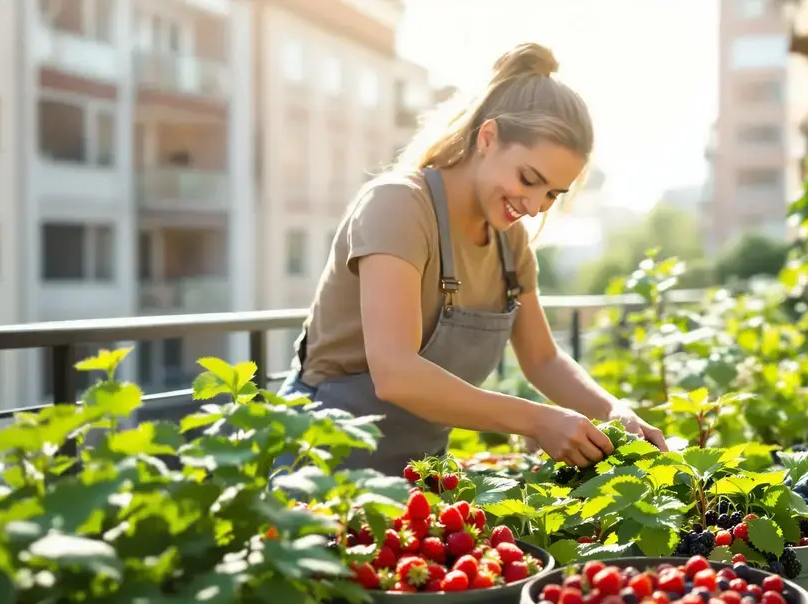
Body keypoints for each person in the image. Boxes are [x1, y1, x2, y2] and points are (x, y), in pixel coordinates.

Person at [278, 43, 667, 475]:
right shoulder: (397, 205)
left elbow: (542, 359)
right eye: (529, 179)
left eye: (552, 194)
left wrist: (614, 412)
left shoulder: (510, 242)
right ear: (487, 138)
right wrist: (538, 420)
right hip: (320, 466)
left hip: (417, 474)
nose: (535, 206)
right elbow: (395, 372)